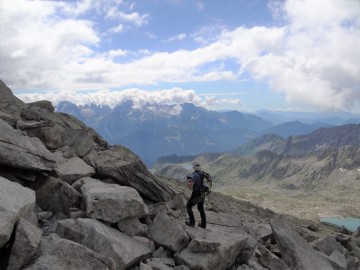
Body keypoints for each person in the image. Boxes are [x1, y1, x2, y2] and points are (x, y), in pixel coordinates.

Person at [185, 162, 212, 229]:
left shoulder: (195, 175)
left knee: (188, 206)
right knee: (200, 208)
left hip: (196, 194)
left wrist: (188, 182)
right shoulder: (203, 173)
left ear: (194, 167)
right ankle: (203, 224)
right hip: (203, 194)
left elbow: (190, 187)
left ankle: (192, 222)